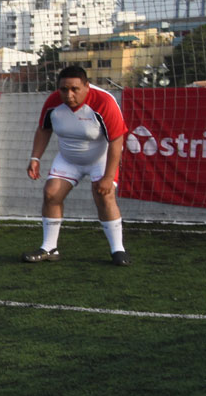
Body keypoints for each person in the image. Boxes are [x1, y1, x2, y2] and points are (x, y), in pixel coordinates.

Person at [22, 66, 130, 266]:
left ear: (87, 86)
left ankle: (118, 250)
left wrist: (108, 177)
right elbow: (44, 129)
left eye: (75, 89)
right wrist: (35, 158)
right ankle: (49, 248)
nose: (69, 95)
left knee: (104, 196)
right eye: (64, 89)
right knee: (51, 193)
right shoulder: (53, 102)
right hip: (68, 159)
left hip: (100, 158)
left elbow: (117, 140)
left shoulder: (104, 102)